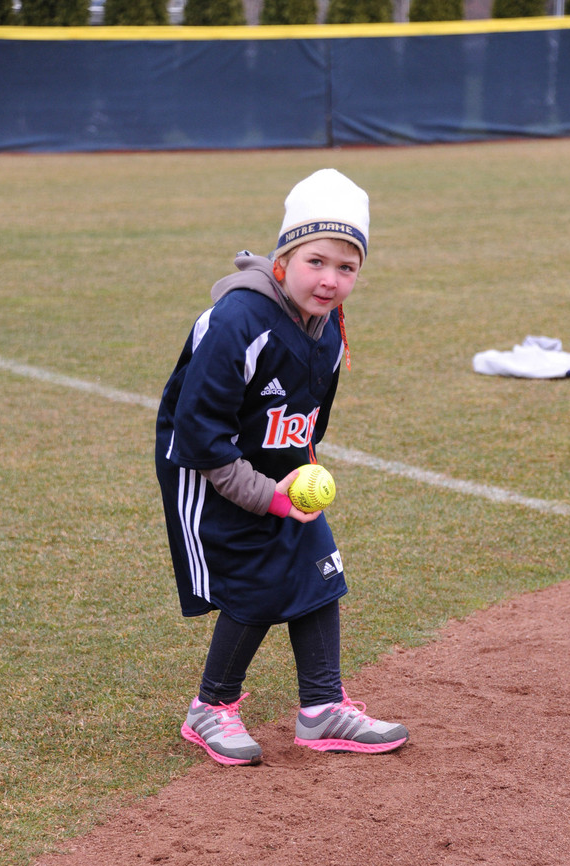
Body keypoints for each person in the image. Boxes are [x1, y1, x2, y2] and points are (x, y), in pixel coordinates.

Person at [155, 168, 409, 766]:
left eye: (346, 268)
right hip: (211, 467)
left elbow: (310, 418)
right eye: (316, 261)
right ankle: (209, 709)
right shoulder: (237, 322)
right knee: (256, 579)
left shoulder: (328, 329)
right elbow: (200, 433)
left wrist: (294, 481)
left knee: (320, 565)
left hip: (282, 470)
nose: (329, 280)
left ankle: (322, 708)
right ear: (283, 258)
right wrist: (268, 496)